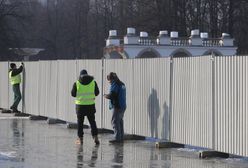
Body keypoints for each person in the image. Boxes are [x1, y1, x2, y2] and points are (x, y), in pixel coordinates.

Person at [71, 69, 100, 145]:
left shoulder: (77, 83)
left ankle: (80, 139)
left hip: (80, 107)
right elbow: (97, 93)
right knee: (92, 122)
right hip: (90, 106)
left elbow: (73, 94)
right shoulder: (93, 82)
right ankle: (95, 137)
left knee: (80, 124)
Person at [104, 72, 126, 143]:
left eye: (109, 80)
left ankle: (117, 138)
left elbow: (112, 95)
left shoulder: (115, 84)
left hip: (117, 106)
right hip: (122, 106)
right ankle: (121, 137)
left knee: (114, 122)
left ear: (112, 79)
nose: (109, 82)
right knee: (119, 122)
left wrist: (105, 95)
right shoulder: (122, 84)